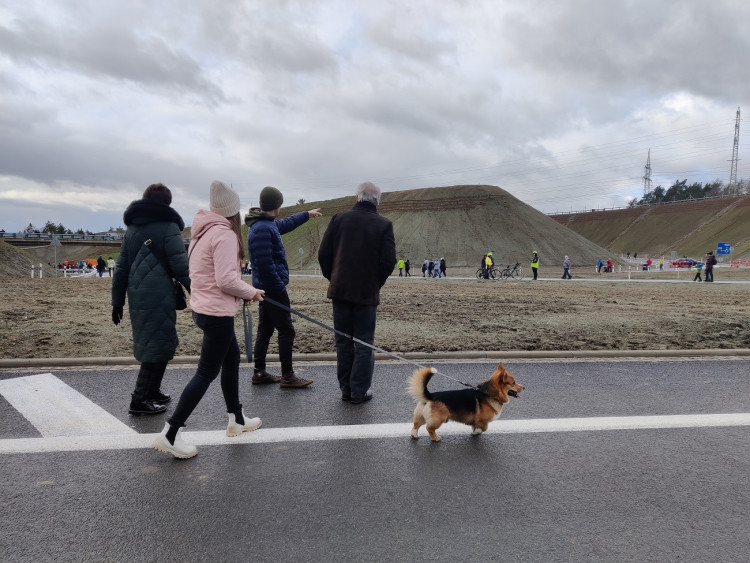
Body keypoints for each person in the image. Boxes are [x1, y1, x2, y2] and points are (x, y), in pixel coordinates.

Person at [152, 181, 264, 459]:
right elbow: (227, 280)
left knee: (232, 360)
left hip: (204, 309)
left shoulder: (202, 233)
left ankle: (236, 418)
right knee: (205, 373)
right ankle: (171, 432)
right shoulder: (224, 235)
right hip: (216, 313)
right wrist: (252, 292)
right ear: (232, 212)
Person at [112, 183, 191, 415]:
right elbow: (181, 266)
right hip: (160, 295)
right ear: (167, 203)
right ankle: (139, 400)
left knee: (156, 342)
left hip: (137, 296)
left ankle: (152, 391)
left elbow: (121, 268)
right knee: (157, 344)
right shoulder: (168, 227)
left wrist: (117, 301)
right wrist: (198, 292)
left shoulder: (133, 229)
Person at [318, 182, 396, 404]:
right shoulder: (384, 225)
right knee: (364, 342)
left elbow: (324, 254)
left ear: (357, 198)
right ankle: (359, 391)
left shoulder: (339, 219)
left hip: (340, 291)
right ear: (377, 201)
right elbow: (388, 261)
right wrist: (375, 283)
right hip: (366, 294)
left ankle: (345, 389)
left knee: (343, 342)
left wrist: (333, 278)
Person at [245, 186, 322, 387]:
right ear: (276, 205)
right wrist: (279, 288)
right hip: (272, 289)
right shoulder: (262, 228)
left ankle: (259, 372)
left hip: (266, 288)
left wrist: (306, 214)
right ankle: (287, 375)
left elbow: (286, 224)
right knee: (286, 331)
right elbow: (265, 264)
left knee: (265, 330)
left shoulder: (264, 224)